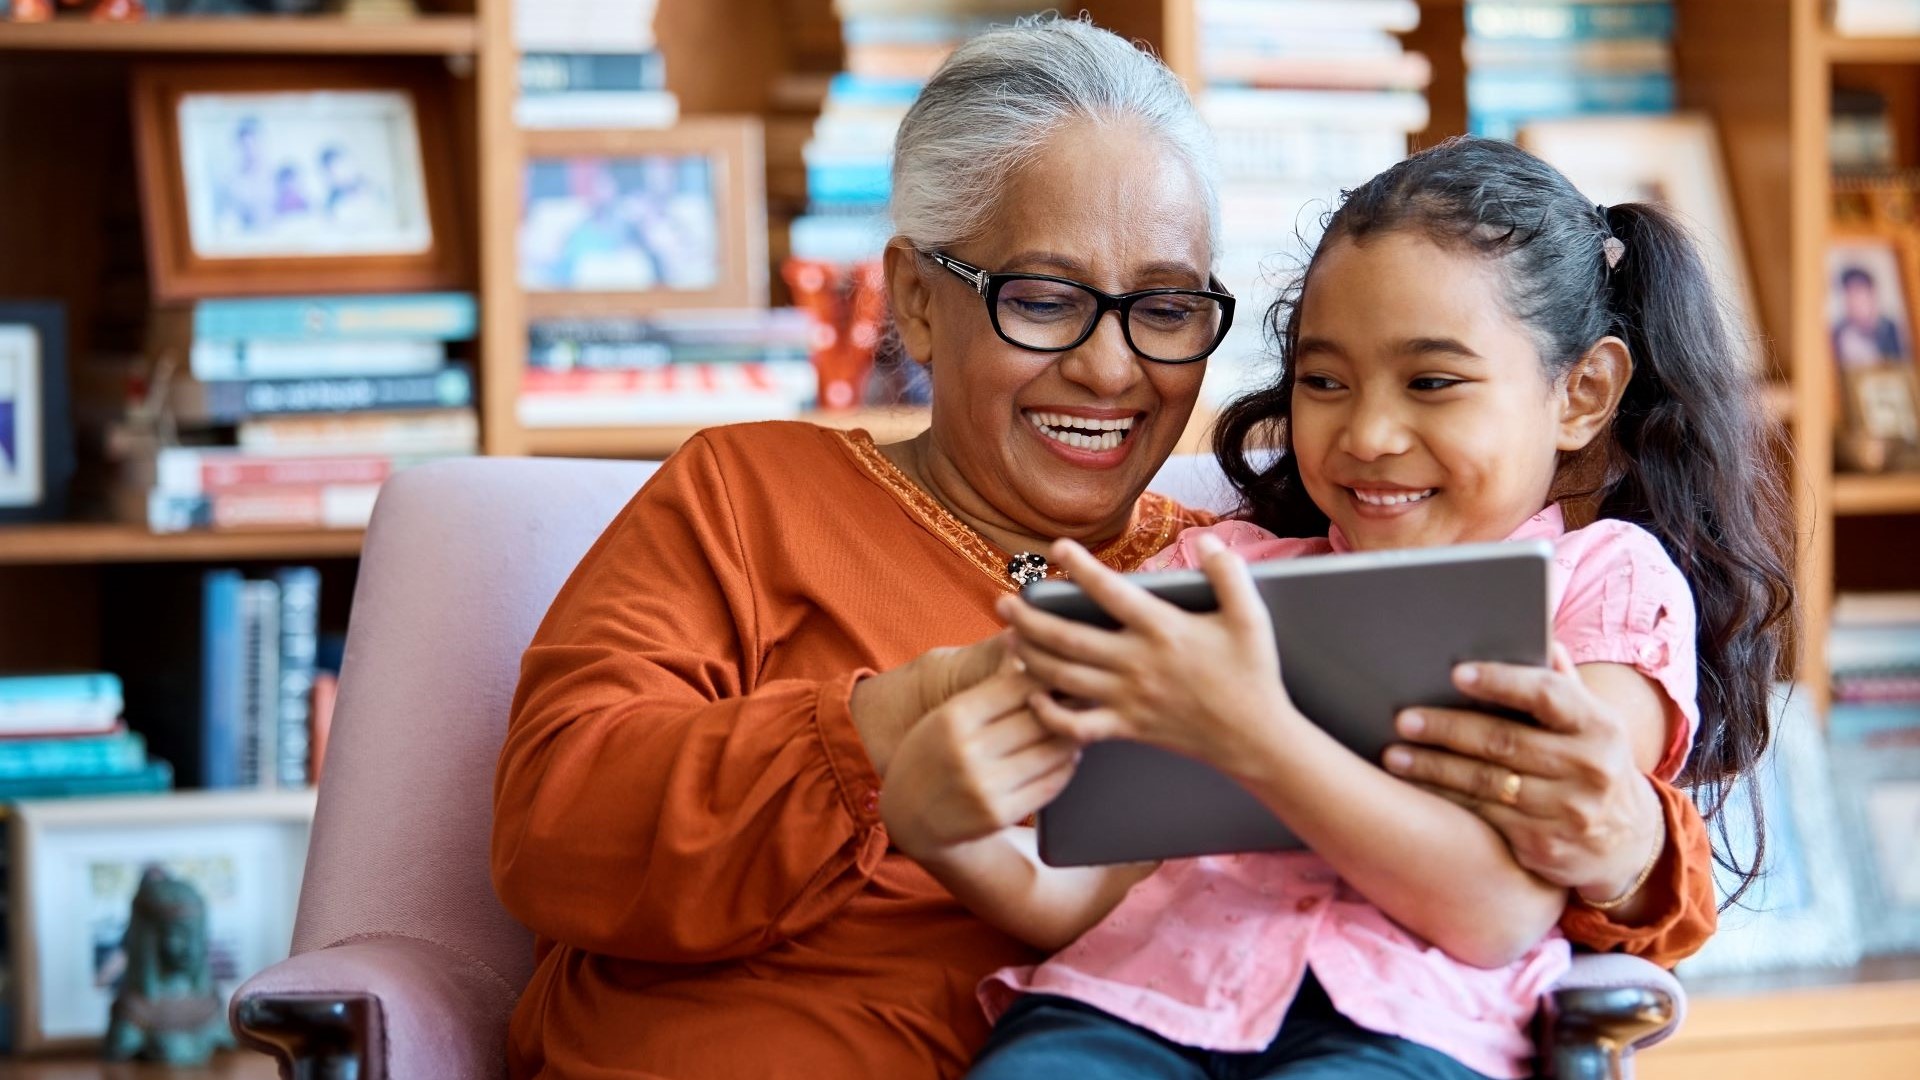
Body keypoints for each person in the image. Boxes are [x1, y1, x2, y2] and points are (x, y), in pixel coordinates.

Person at [492, 22, 1722, 1079]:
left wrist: (1633, 848)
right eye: (1044, 297)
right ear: (917, 301)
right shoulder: (752, 492)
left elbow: (1530, 888)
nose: (1112, 364)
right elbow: (555, 828)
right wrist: (886, 741)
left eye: (1167, 307)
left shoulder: (1245, 579)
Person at [948, 137, 1792, 1080]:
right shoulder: (1218, 567)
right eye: (1324, 382)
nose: (1369, 434)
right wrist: (938, 807)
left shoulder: (1604, 584)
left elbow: (1493, 905)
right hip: (1136, 1006)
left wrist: (1257, 737)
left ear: (1582, 393)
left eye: (1432, 382)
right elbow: (1087, 875)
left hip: (1411, 1029)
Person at [1832, 265, 1908, 368]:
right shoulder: (1838, 334)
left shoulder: (1893, 330)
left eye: (1858, 292)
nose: (1853, 301)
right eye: (1848, 294)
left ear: (1872, 294)